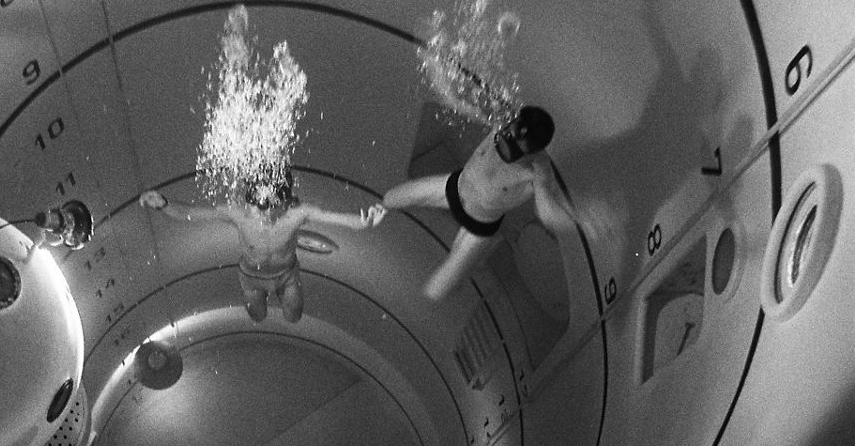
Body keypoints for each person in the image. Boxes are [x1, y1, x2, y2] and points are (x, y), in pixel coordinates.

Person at [383, 105, 577, 301]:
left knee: (436, 291)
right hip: (453, 188)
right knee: (389, 199)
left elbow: (546, 210)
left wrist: (579, 221)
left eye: (516, 148)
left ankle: (481, 254)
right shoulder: (504, 119)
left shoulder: (538, 169)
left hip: (479, 225)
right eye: (507, 136)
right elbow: (464, 101)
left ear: (535, 150)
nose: (505, 146)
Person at [140, 171, 386, 322]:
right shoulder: (237, 213)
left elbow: (337, 218)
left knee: (294, 316)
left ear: (286, 200)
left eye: (272, 206)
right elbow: (191, 214)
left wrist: (365, 223)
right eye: (259, 206)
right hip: (250, 276)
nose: (266, 212)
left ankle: (283, 304)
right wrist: (163, 204)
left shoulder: (298, 213)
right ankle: (262, 307)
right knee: (258, 317)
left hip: (287, 274)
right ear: (250, 199)